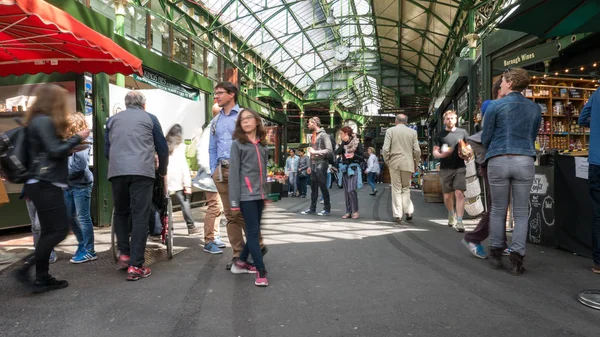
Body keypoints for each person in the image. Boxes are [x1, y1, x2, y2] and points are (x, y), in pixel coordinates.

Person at [14, 84, 89, 293]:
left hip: (40, 183)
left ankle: (42, 276)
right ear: (55, 102)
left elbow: (48, 152)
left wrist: (70, 146)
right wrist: (78, 137)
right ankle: (28, 269)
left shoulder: (35, 121)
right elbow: (55, 151)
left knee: (50, 231)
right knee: (58, 230)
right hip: (46, 183)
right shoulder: (44, 121)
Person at [482, 67, 541, 275]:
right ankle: (517, 258)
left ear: (509, 82)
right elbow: (532, 136)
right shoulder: (534, 109)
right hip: (524, 160)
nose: (500, 84)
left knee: (498, 208)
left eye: (503, 81)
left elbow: (485, 137)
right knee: (521, 212)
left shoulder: (495, 106)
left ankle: (497, 250)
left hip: (498, 159)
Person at [105, 90, 169, 281]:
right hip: (142, 171)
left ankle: (124, 253)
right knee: (140, 215)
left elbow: (108, 150)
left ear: (126, 104)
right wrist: (162, 170)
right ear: (144, 104)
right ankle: (136, 265)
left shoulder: (112, 120)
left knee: (121, 212)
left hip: (117, 172)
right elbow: (162, 148)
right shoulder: (150, 118)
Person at [209, 81, 266, 270]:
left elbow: (258, 140)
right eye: (215, 93)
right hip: (221, 171)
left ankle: (256, 244)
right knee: (230, 214)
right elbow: (212, 147)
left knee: (244, 213)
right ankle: (237, 255)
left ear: (231, 94)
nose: (216, 96)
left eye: (219, 93)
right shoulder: (215, 121)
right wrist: (213, 169)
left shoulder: (244, 116)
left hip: (243, 172)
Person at [461, 77, 504, 259]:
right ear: (499, 90)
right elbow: (485, 135)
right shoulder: (490, 106)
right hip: (492, 161)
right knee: (497, 205)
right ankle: (474, 237)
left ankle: (501, 243)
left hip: (501, 161)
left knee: (501, 205)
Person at [228, 108, 269, 286]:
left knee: (254, 230)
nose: (244, 121)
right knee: (253, 233)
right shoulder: (237, 144)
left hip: (259, 195)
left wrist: (265, 194)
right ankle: (261, 271)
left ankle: (240, 263)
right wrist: (234, 202)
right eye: (241, 119)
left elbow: (264, 172)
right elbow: (233, 175)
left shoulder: (263, 145)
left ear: (257, 121)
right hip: (246, 196)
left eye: (248, 118)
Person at [64, 112, 96, 264]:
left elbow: (80, 165)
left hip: (81, 184)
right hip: (69, 184)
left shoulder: (83, 142)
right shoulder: (67, 141)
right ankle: (82, 244)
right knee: (70, 216)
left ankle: (89, 250)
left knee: (83, 217)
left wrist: (62, 174)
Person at [191, 117, 227, 254]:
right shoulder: (212, 128)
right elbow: (204, 153)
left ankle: (215, 235)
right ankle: (209, 240)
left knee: (218, 206)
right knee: (215, 206)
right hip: (211, 175)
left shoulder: (216, 126)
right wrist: (211, 171)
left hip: (215, 174)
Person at [433, 110, 470, 232]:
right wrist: (442, 154)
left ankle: (459, 221)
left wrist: (468, 153)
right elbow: (435, 151)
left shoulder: (463, 133)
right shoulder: (439, 135)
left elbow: (469, 148)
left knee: (459, 193)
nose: (450, 120)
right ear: (444, 121)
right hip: (445, 169)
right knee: (448, 196)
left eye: (452, 118)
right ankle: (451, 213)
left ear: (456, 120)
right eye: (448, 118)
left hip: (460, 167)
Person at [382, 114, 421, 223]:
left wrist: (387, 161)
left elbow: (385, 149)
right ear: (406, 122)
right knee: (406, 188)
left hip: (394, 163)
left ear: (396, 121)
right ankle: (408, 211)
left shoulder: (390, 131)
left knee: (396, 188)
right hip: (408, 163)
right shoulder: (413, 132)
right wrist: (416, 163)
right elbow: (417, 151)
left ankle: (398, 214)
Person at [579, 83, 600, 274]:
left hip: (596, 161)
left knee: (598, 213)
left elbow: (581, 119)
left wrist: (593, 124)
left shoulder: (596, 94)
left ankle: (598, 262)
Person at [165, 124, 198, 235]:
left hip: (165, 178)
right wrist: (187, 184)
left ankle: (166, 227)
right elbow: (184, 166)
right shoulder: (182, 147)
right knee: (184, 203)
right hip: (178, 179)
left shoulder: (164, 145)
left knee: (163, 203)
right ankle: (191, 227)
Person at [301, 117, 333, 216]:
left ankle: (327, 209)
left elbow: (329, 150)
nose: (308, 125)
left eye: (309, 123)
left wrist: (316, 152)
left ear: (315, 123)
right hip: (314, 163)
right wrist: (310, 165)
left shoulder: (324, 135)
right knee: (313, 187)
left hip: (322, 163)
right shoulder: (313, 136)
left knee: (323, 186)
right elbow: (311, 152)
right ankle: (312, 208)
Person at [335, 126, 364, 219]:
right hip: (344, 168)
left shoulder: (357, 143)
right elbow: (337, 152)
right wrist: (342, 143)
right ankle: (348, 211)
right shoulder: (343, 143)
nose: (340, 136)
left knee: (351, 190)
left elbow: (362, 157)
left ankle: (355, 211)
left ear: (346, 134)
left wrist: (353, 156)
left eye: (341, 134)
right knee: (346, 192)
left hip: (353, 168)